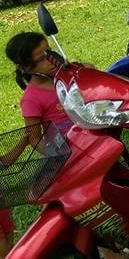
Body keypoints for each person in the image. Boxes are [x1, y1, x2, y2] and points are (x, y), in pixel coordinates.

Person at [2, 32, 75, 255]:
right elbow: (34, 137)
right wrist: (59, 153)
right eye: (41, 58)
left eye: (48, 52)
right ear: (25, 66)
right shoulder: (32, 99)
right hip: (68, 158)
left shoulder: (65, 76)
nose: (50, 60)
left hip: (93, 147)